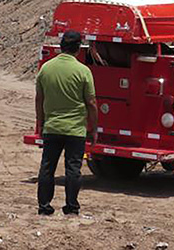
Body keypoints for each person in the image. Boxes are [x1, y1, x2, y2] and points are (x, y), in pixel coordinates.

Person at [35, 30, 98, 216]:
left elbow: (39, 99)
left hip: (52, 126)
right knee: (73, 168)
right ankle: (71, 206)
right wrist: (93, 128)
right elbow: (92, 103)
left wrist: (41, 122)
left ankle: (44, 206)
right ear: (78, 48)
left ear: (61, 46)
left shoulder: (46, 68)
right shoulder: (83, 71)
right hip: (75, 129)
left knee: (47, 167)